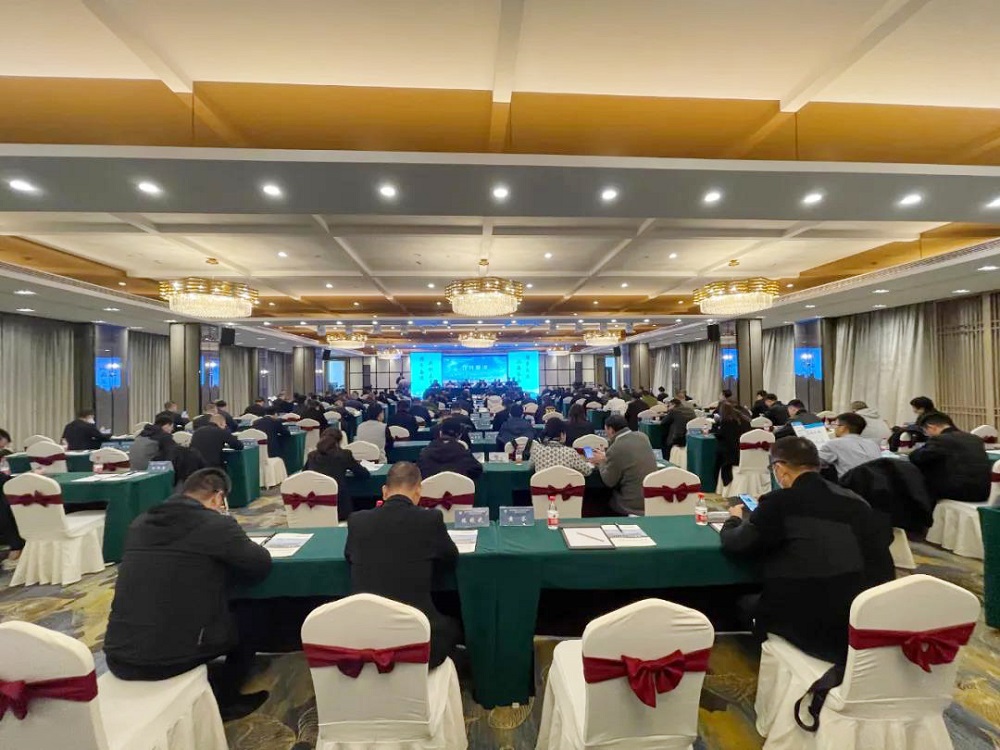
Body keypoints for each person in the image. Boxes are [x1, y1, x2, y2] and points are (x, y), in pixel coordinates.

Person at [103, 468, 272, 720]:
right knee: (250, 615)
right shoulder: (216, 524)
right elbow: (259, 565)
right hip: (170, 660)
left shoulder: (140, 522)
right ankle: (226, 699)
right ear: (217, 497)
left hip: (117, 652)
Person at [720, 437, 894, 663]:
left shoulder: (779, 502)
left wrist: (733, 520)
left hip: (813, 625)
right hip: (866, 618)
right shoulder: (855, 500)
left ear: (780, 469)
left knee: (743, 604)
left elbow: (738, 543)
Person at [345, 462, 461, 668]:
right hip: (419, 641)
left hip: (365, 639)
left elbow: (349, 556)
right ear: (418, 491)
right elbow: (450, 557)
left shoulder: (357, 521)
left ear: (384, 491)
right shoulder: (430, 519)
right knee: (454, 624)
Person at [909, 413, 991, 503]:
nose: (927, 435)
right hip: (984, 491)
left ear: (931, 427)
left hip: (958, 491)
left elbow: (917, 457)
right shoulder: (974, 438)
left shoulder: (940, 440)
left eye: (926, 431)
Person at [589, 414, 657, 516]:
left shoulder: (616, 448)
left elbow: (609, 481)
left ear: (611, 430)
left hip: (631, 503)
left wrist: (601, 462)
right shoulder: (643, 437)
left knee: (601, 497)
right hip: (651, 497)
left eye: (606, 430)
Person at [305, 428, 370, 516]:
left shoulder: (312, 456)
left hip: (315, 502)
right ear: (339, 441)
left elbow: (305, 473)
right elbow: (364, 474)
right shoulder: (344, 454)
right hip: (340, 505)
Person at [817, 413, 882, 478]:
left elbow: (815, 463)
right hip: (876, 482)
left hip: (851, 483)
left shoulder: (834, 444)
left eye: (835, 425)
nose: (834, 428)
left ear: (843, 428)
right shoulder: (873, 444)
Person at [418, 420, 484, 480]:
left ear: (440, 433)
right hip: (458, 488)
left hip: (430, 489)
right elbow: (477, 470)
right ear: (459, 436)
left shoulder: (425, 452)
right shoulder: (462, 451)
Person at [529, 418, 594, 475]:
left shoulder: (536, 451)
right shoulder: (570, 453)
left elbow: (530, 467)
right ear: (562, 434)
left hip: (543, 485)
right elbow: (588, 471)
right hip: (567, 485)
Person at [712, 401, 752, 487]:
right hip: (745, 454)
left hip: (731, 456)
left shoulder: (726, 422)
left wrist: (716, 424)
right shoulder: (745, 420)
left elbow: (719, 435)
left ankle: (715, 483)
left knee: (718, 454)